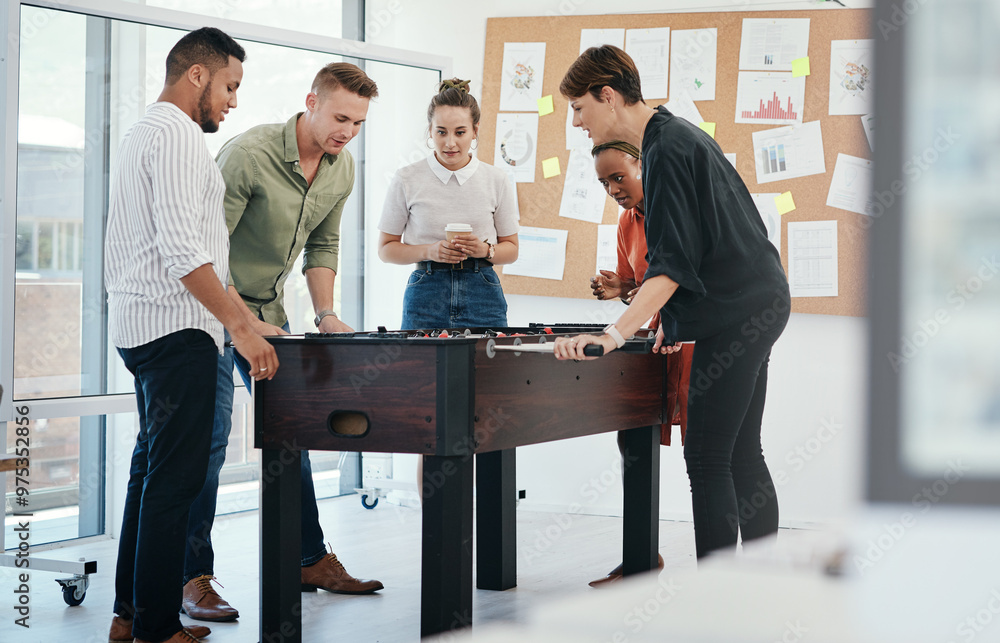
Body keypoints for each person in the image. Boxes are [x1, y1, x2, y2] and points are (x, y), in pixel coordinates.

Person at [556, 45, 790, 561]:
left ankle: (713, 601)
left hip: (738, 313)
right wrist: (674, 319)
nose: (577, 122)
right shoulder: (675, 135)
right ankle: (765, 586)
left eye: (578, 108)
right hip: (758, 302)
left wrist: (613, 335)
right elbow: (700, 247)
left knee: (706, 456)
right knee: (740, 452)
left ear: (608, 95)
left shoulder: (667, 149)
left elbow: (671, 265)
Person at [180, 62, 383, 623]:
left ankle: (309, 559)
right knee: (208, 440)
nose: (347, 131)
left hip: (269, 318)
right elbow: (204, 249)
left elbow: (324, 245)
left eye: (358, 123)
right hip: (212, 312)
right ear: (311, 101)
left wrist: (326, 314)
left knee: (292, 431)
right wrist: (239, 323)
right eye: (340, 117)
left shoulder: (341, 169)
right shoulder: (249, 155)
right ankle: (191, 576)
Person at [105, 28, 279, 643]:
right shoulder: (179, 136)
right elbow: (184, 252)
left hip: (140, 329)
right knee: (174, 487)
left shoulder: (143, 130)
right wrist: (240, 331)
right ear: (198, 76)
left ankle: (130, 618)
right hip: (179, 333)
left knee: (149, 476)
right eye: (230, 86)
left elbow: (188, 249)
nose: (233, 101)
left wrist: (248, 318)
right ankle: (155, 628)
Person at [585, 141, 693, 587]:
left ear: (642, 166)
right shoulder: (627, 221)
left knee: (705, 454)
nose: (613, 188)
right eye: (604, 182)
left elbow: (687, 273)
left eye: (619, 177)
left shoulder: (674, 209)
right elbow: (640, 285)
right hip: (655, 339)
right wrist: (619, 287)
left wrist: (659, 309)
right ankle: (642, 554)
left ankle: (729, 572)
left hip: (691, 337)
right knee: (633, 439)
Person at [376, 78, 519, 330]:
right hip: (425, 292)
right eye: (441, 132)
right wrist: (429, 251)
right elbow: (386, 249)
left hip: (483, 291)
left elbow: (512, 249)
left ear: (475, 131)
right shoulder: (406, 178)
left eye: (460, 132)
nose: (450, 143)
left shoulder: (496, 179)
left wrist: (485, 250)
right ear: (430, 131)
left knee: (488, 368)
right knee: (421, 369)